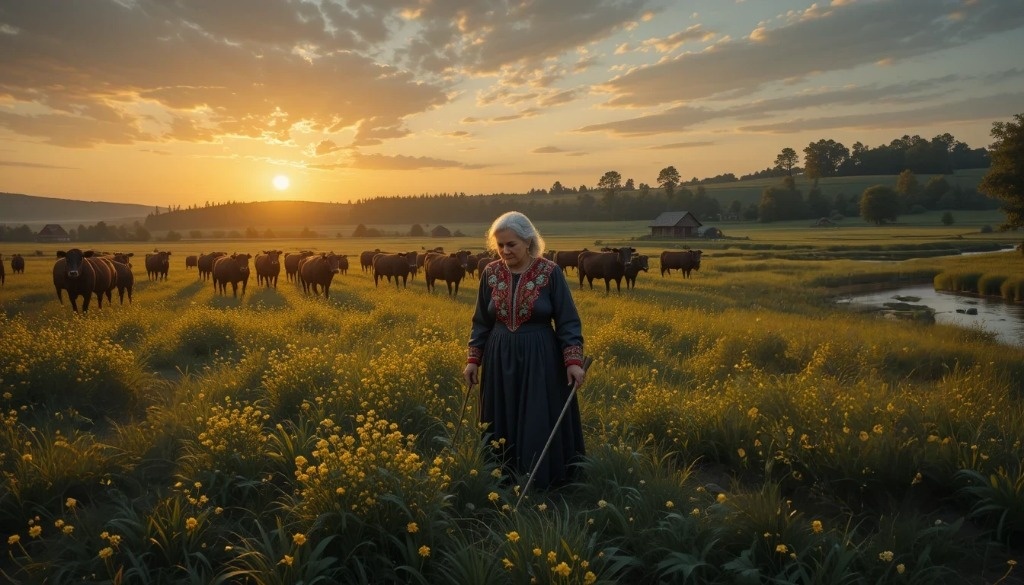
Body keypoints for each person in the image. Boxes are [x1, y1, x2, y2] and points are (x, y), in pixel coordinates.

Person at [463, 211, 586, 489]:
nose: (505, 251)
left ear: (528, 242)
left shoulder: (550, 273)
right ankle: (500, 476)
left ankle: (542, 479)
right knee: (500, 415)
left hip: (540, 357)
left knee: (537, 415)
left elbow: (567, 320)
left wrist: (573, 361)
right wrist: (473, 359)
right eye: (500, 245)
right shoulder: (490, 273)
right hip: (499, 357)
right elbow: (482, 320)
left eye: (511, 244)